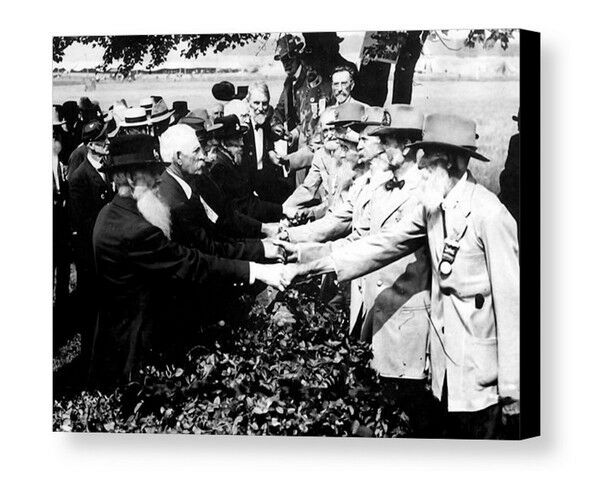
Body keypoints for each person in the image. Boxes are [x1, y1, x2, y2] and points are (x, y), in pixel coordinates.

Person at [280, 114, 520, 439]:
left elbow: (512, 304)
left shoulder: (489, 215)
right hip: (443, 373)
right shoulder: (432, 208)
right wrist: (309, 264)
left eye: (427, 159)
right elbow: (380, 245)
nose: (419, 168)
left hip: (482, 380)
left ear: (450, 161)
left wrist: (513, 387)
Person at [89, 134, 284, 388]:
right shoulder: (136, 231)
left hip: (116, 340)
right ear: (128, 178)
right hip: (136, 352)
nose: (160, 178)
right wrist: (255, 270)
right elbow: (191, 263)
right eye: (151, 172)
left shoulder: (111, 212)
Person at [68, 119, 113, 362]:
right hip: (93, 255)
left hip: (107, 250)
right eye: (101, 141)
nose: (107, 143)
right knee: (92, 309)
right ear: (89, 145)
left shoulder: (107, 167)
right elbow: (82, 224)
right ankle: (90, 359)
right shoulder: (80, 178)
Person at [208, 115, 299, 223]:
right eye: (237, 140)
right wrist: (282, 211)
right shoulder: (220, 169)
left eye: (241, 138)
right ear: (223, 143)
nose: (242, 143)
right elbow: (245, 207)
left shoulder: (231, 163)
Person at [242, 82, 292, 203]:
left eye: (264, 103)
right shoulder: (242, 130)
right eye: (256, 103)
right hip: (247, 187)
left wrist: (270, 151)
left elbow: (268, 143)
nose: (260, 108)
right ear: (248, 103)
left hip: (265, 181)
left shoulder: (265, 123)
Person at [53, 109, 71, 341]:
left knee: (64, 268)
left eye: (55, 131)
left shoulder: (60, 160)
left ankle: (63, 310)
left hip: (62, 224)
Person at [499, 108, 520, 228]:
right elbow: (508, 170)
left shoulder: (516, 141)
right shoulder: (515, 141)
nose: (518, 126)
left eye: (519, 122)